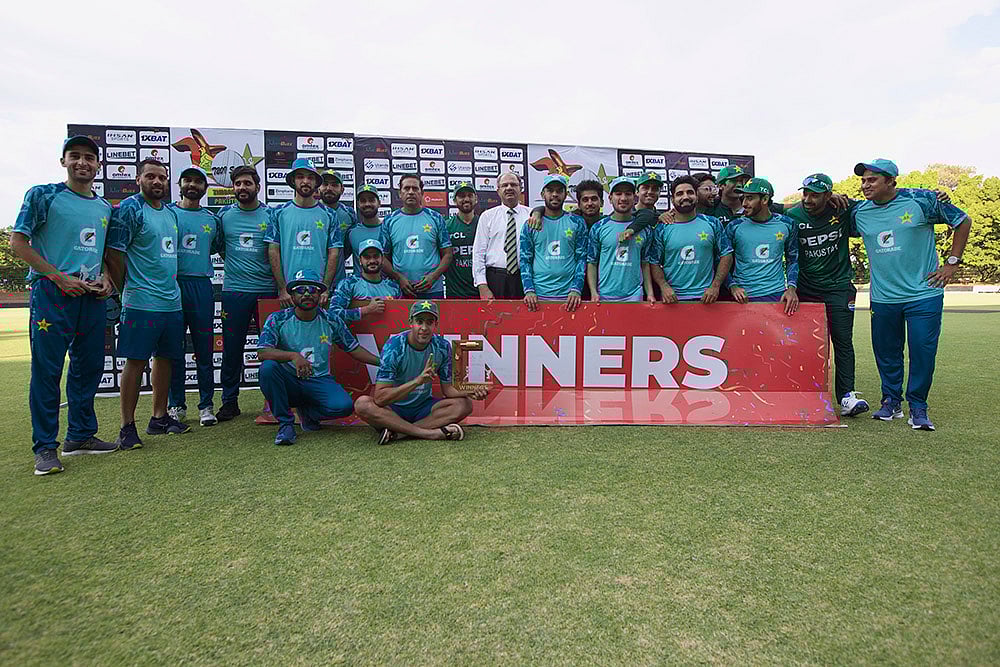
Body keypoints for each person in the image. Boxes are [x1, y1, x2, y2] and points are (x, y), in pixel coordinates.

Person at [12, 135, 118, 475]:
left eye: (89, 157)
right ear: (64, 162)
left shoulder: (104, 207)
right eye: (75, 156)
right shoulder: (43, 195)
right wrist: (58, 277)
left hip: (90, 296)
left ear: (98, 165)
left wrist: (106, 278)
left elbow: (100, 254)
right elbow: (18, 242)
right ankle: (45, 447)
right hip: (52, 293)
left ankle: (81, 436)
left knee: (89, 368)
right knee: (47, 371)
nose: (82, 163)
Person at [848, 159, 971, 430]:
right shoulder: (858, 212)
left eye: (872, 180)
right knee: (887, 352)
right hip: (883, 297)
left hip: (923, 294)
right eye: (863, 180)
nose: (865, 185)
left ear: (891, 181)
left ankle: (918, 407)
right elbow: (825, 215)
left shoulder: (923, 201)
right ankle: (891, 402)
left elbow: (962, 221)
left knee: (922, 352)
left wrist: (951, 263)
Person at [105, 158, 190, 451]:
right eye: (151, 177)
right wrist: (125, 288)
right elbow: (114, 254)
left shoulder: (170, 213)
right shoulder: (130, 208)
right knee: (136, 362)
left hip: (171, 301)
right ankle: (127, 426)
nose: (157, 182)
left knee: (166, 359)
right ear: (138, 179)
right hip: (141, 302)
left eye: (162, 178)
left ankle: (159, 417)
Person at [257, 269, 379, 446]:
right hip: (289, 380)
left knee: (343, 406)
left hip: (319, 379)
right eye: (300, 290)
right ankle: (286, 424)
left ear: (320, 294)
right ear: (291, 294)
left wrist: (381, 362)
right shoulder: (278, 318)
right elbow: (262, 352)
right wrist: (293, 356)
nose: (307, 294)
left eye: (312, 290)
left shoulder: (331, 319)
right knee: (268, 368)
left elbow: (354, 348)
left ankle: (309, 414)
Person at [354, 300, 487, 444]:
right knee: (362, 404)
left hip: (423, 409)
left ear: (435, 324)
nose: (424, 327)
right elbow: (380, 398)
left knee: (464, 405)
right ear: (411, 322)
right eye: (419, 321)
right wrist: (418, 381)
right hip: (393, 409)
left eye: (429, 322)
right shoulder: (394, 347)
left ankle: (399, 433)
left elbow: (448, 390)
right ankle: (429, 434)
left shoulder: (442, 347)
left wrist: (470, 391)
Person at [216, 165, 277, 422]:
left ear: (258, 186)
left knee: (272, 349)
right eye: (238, 183)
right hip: (234, 292)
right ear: (233, 187)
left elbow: (276, 251)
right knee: (231, 349)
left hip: (267, 292)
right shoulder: (223, 216)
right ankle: (229, 402)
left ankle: (274, 401)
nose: (242, 188)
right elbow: (220, 248)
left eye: (247, 183)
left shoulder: (271, 215)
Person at [166, 166, 222, 427]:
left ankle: (206, 405)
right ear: (179, 184)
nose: (193, 185)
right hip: (172, 285)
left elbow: (220, 248)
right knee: (173, 350)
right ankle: (176, 405)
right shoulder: (167, 214)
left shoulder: (212, 219)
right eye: (187, 180)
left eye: (198, 181)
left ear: (205, 188)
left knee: (204, 349)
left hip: (200, 285)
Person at [264, 158, 341, 307]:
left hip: (318, 292)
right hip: (289, 294)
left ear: (316, 183)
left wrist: (325, 289)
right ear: (293, 181)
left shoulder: (329, 215)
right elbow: (273, 251)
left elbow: (334, 253)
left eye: (310, 177)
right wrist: (282, 289)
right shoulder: (278, 212)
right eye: (300, 177)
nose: (305, 181)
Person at [646, 175, 733, 304]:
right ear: (672, 199)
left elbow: (726, 254)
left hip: (706, 300)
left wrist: (715, 286)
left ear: (697, 196)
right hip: (673, 300)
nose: (685, 197)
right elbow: (654, 262)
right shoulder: (662, 228)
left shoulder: (712, 223)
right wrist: (664, 287)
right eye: (680, 194)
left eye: (690, 192)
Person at [725, 178, 799, 315]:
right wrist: (732, 287)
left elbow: (793, 259)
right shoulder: (734, 226)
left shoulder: (787, 224)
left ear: (764, 199)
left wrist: (792, 288)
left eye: (749, 198)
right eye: (743, 198)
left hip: (776, 295)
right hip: (742, 298)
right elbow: (722, 260)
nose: (744, 203)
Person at [520, 174, 588, 312]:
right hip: (538, 297)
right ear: (542, 194)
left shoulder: (577, 222)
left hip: (570, 298)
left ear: (565, 194)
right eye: (550, 190)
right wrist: (529, 290)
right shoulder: (530, 224)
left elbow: (581, 258)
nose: (555, 194)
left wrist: (576, 289)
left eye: (559, 191)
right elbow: (525, 260)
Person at [379, 174, 453, 299]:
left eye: (415, 188)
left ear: (422, 192)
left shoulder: (436, 218)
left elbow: (448, 254)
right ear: (400, 193)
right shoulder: (389, 221)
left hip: (432, 290)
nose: (411, 192)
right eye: (406, 188)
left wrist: (433, 277)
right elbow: (383, 257)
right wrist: (398, 277)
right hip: (400, 290)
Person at [586, 177, 653, 302]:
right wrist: (594, 292)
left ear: (634, 198)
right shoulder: (598, 228)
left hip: (634, 296)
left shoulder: (645, 229)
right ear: (610, 198)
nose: (623, 198)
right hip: (604, 296)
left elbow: (645, 263)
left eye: (628, 194)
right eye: (618, 194)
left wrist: (649, 293)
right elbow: (592, 262)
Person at [472, 172, 530, 299]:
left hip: (524, 278)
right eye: (504, 185)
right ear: (498, 191)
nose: (509, 188)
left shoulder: (531, 215)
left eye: (513, 184)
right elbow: (478, 252)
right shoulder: (487, 216)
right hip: (495, 279)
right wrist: (482, 285)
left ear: (520, 189)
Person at [329, 238, 400, 321]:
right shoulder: (348, 284)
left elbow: (402, 316)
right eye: (367, 257)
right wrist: (367, 310)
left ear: (382, 259)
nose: (372, 260)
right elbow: (333, 314)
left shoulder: (393, 287)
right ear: (360, 260)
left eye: (376, 256)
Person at [318, 169, 358, 287]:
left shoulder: (349, 214)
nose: (329, 188)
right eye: (325, 184)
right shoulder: (311, 211)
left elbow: (348, 247)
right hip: (313, 279)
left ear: (342, 189)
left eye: (334, 185)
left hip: (338, 281)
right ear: (319, 187)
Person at [444, 181, 480, 298]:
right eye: (461, 196)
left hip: (481, 291)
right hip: (455, 293)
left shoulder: (484, 224)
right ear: (454, 200)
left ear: (476, 199)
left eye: (470, 195)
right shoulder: (446, 226)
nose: (466, 199)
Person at [343, 184, 383, 273]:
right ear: (358, 204)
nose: (367, 204)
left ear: (379, 203)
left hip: (386, 285)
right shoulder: (352, 232)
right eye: (363, 201)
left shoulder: (388, 230)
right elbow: (341, 258)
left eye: (371, 200)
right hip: (360, 285)